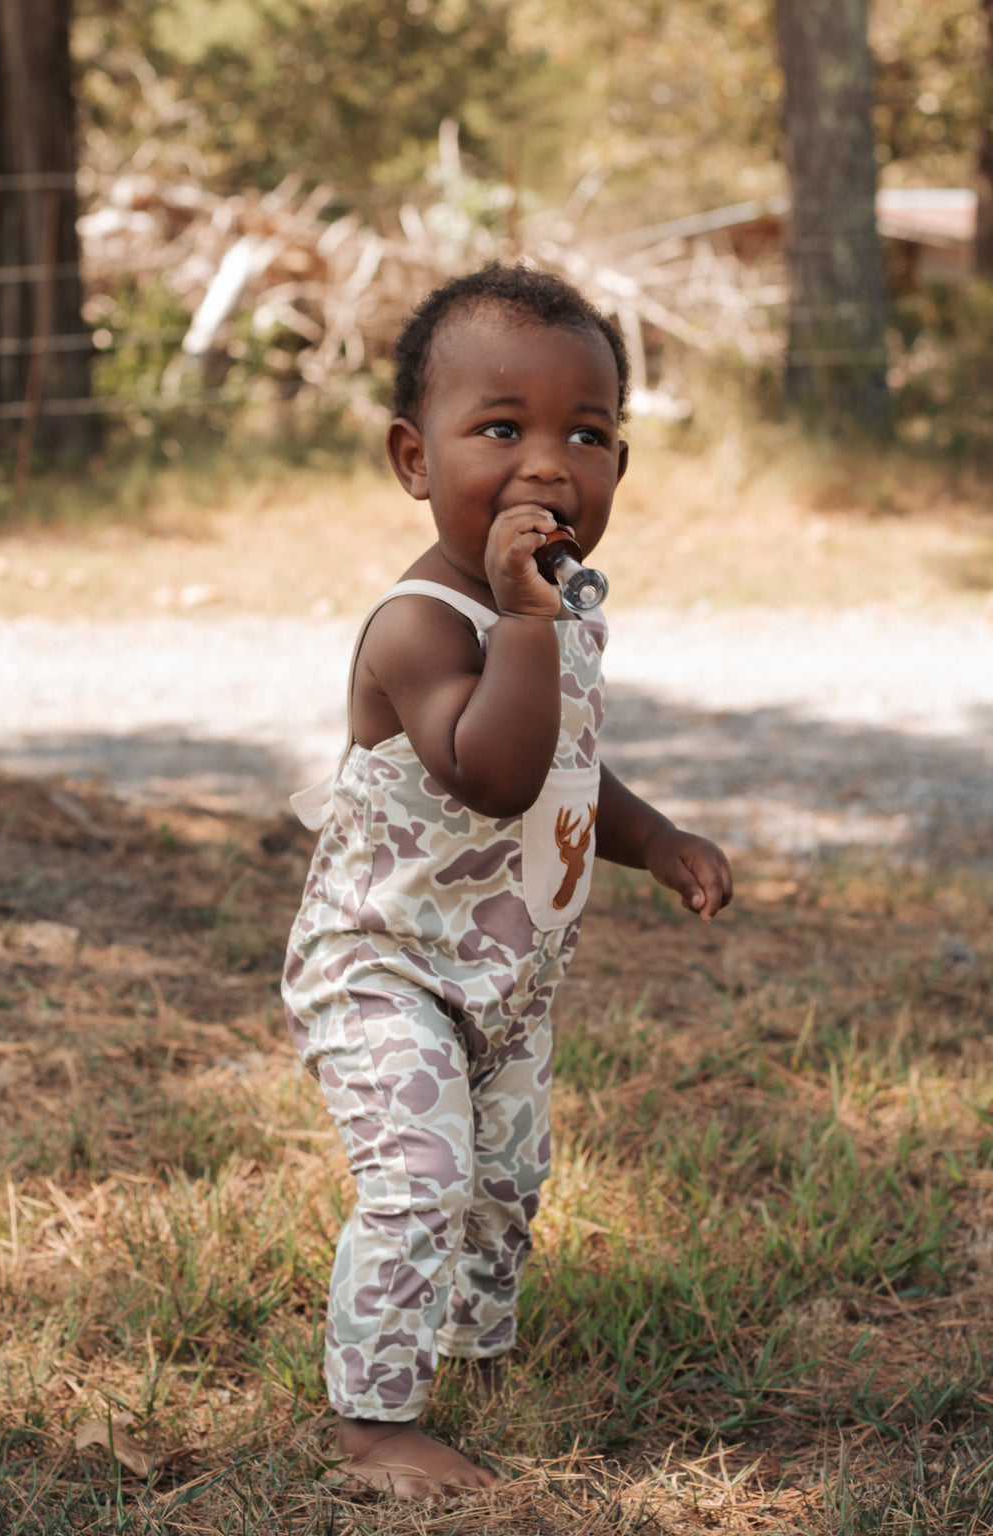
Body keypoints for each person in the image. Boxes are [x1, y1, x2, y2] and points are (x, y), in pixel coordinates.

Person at [282, 263, 733, 1501]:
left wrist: (655, 838)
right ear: (413, 459)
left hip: (505, 976)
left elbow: (565, 762)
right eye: (499, 429)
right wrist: (526, 623)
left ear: (620, 466)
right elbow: (493, 773)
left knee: (506, 1179)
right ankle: (372, 1421)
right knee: (422, 1177)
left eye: (584, 435)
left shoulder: (561, 612)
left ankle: (475, 1346)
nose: (547, 465)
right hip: (384, 966)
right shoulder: (421, 625)